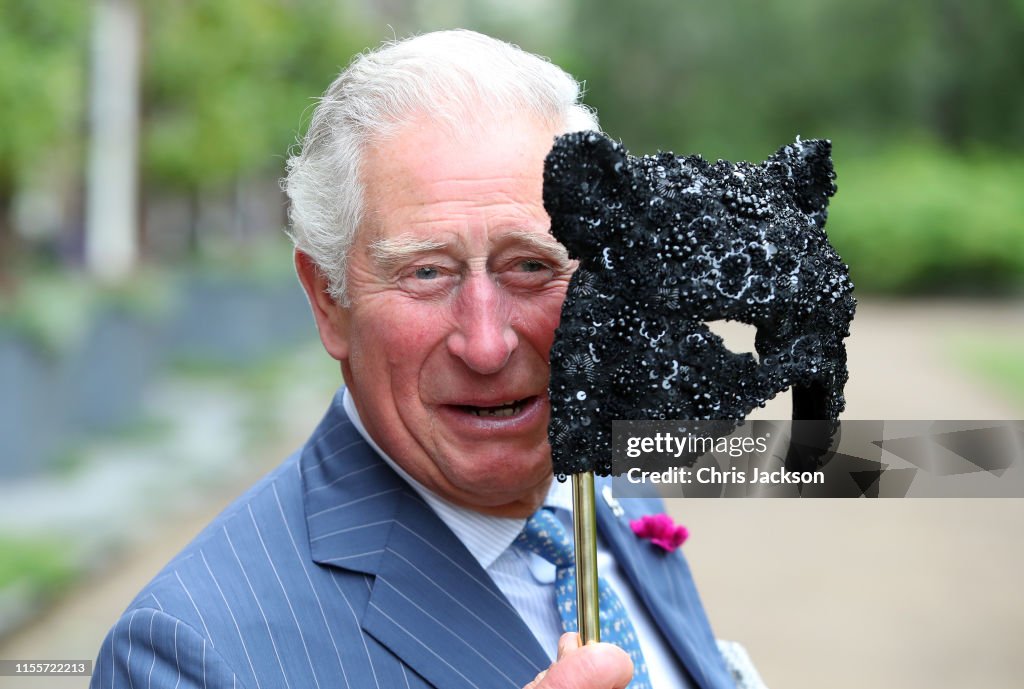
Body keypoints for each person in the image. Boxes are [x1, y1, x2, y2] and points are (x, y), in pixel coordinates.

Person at [91, 30, 758, 689]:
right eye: (426, 273)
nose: (487, 342)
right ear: (330, 300)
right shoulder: (190, 653)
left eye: (531, 264)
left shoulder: (604, 473)